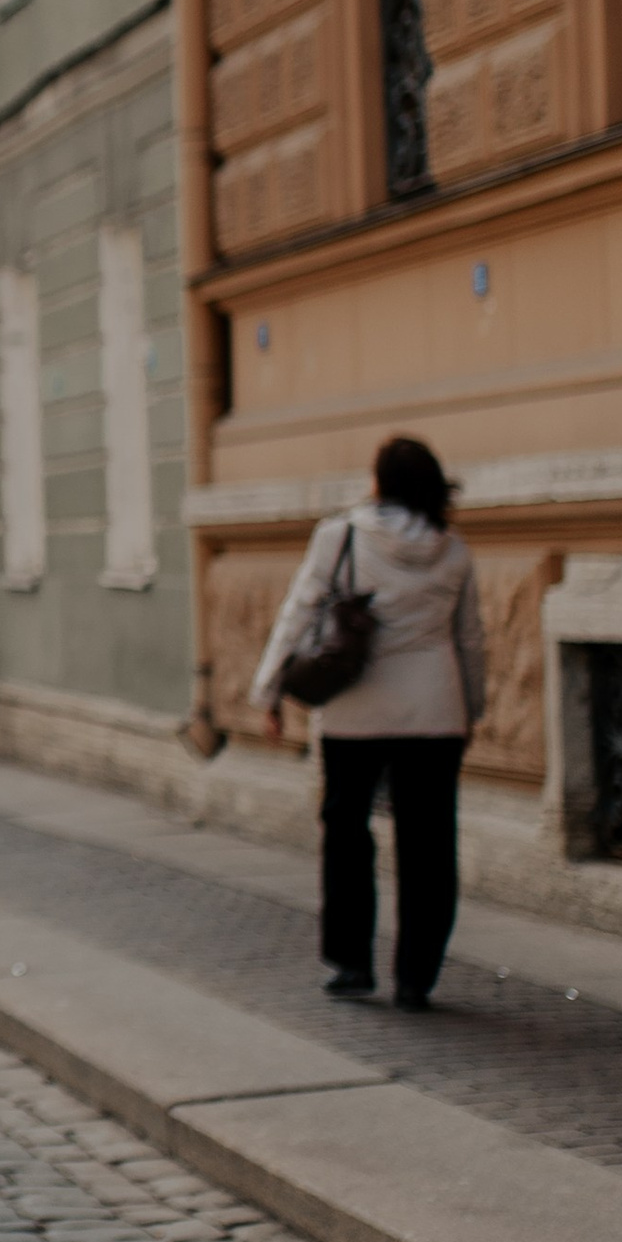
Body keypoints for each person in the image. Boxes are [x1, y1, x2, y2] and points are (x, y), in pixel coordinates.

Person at [252, 432, 487, 1010]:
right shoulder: (452, 549)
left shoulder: (342, 535)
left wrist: (268, 691)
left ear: (379, 480)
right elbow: (471, 640)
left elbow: (300, 612)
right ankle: (416, 977)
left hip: (354, 711)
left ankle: (352, 963)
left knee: (347, 834)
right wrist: (470, 708)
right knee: (430, 844)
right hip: (435, 709)